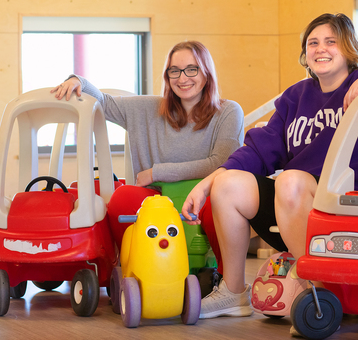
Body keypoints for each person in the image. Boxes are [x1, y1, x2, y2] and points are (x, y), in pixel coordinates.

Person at [181, 13, 358, 321]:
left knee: (290, 181)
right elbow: (256, 152)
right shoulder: (295, 97)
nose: (320, 49)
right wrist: (206, 184)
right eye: (313, 43)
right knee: (228, 185)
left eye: (330, 41)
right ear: (305, 53)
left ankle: (318, 293)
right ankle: (233, 292)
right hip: (297, 212)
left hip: (356, 210)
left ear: (349, 48)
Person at [52, 41, 244, 252]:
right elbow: (103, 103)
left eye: (192, 69)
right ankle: (137, 263)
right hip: (155, 199)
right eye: (174, 71)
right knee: (122, 198)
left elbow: (222, 163)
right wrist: (77, 80)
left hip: (204, 195)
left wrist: (156, 173)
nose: (182, 78)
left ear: (206, 73)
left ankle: (223, 269)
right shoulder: (147, 108)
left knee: (222, 203)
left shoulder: (229, 111)